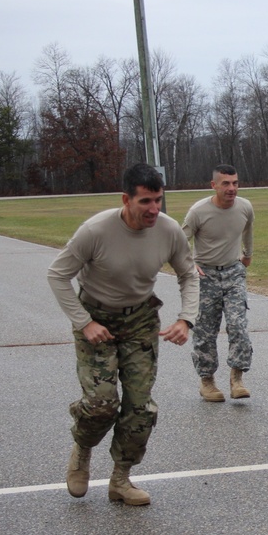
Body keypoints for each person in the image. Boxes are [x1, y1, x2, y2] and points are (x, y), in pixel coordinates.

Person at [47, 163, 199, 506]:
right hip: (97, 321)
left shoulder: (169, 230)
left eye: (158, 200)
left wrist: (186, 319)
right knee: (102, 404)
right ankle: (82, 449)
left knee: (140, 407)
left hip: (141, 320)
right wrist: (84, 321)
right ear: (126, 199)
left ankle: (121, 478)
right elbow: (57, 275)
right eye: (145, 201)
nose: (154, 209)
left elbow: (188, 274)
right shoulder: (95, 231)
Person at [181, 164, 255, 402]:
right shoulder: (198, 211)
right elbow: (180, 241)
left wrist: (248, 254)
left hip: (233, 272)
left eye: (235, 183)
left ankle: (237, 379)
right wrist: (190, 265)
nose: (231, 188)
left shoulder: (245, 207)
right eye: (226, 183)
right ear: (214, 185)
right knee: (205, 332)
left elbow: (248, 230)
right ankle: (207, 381)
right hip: (205, 277)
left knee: (238, 326)